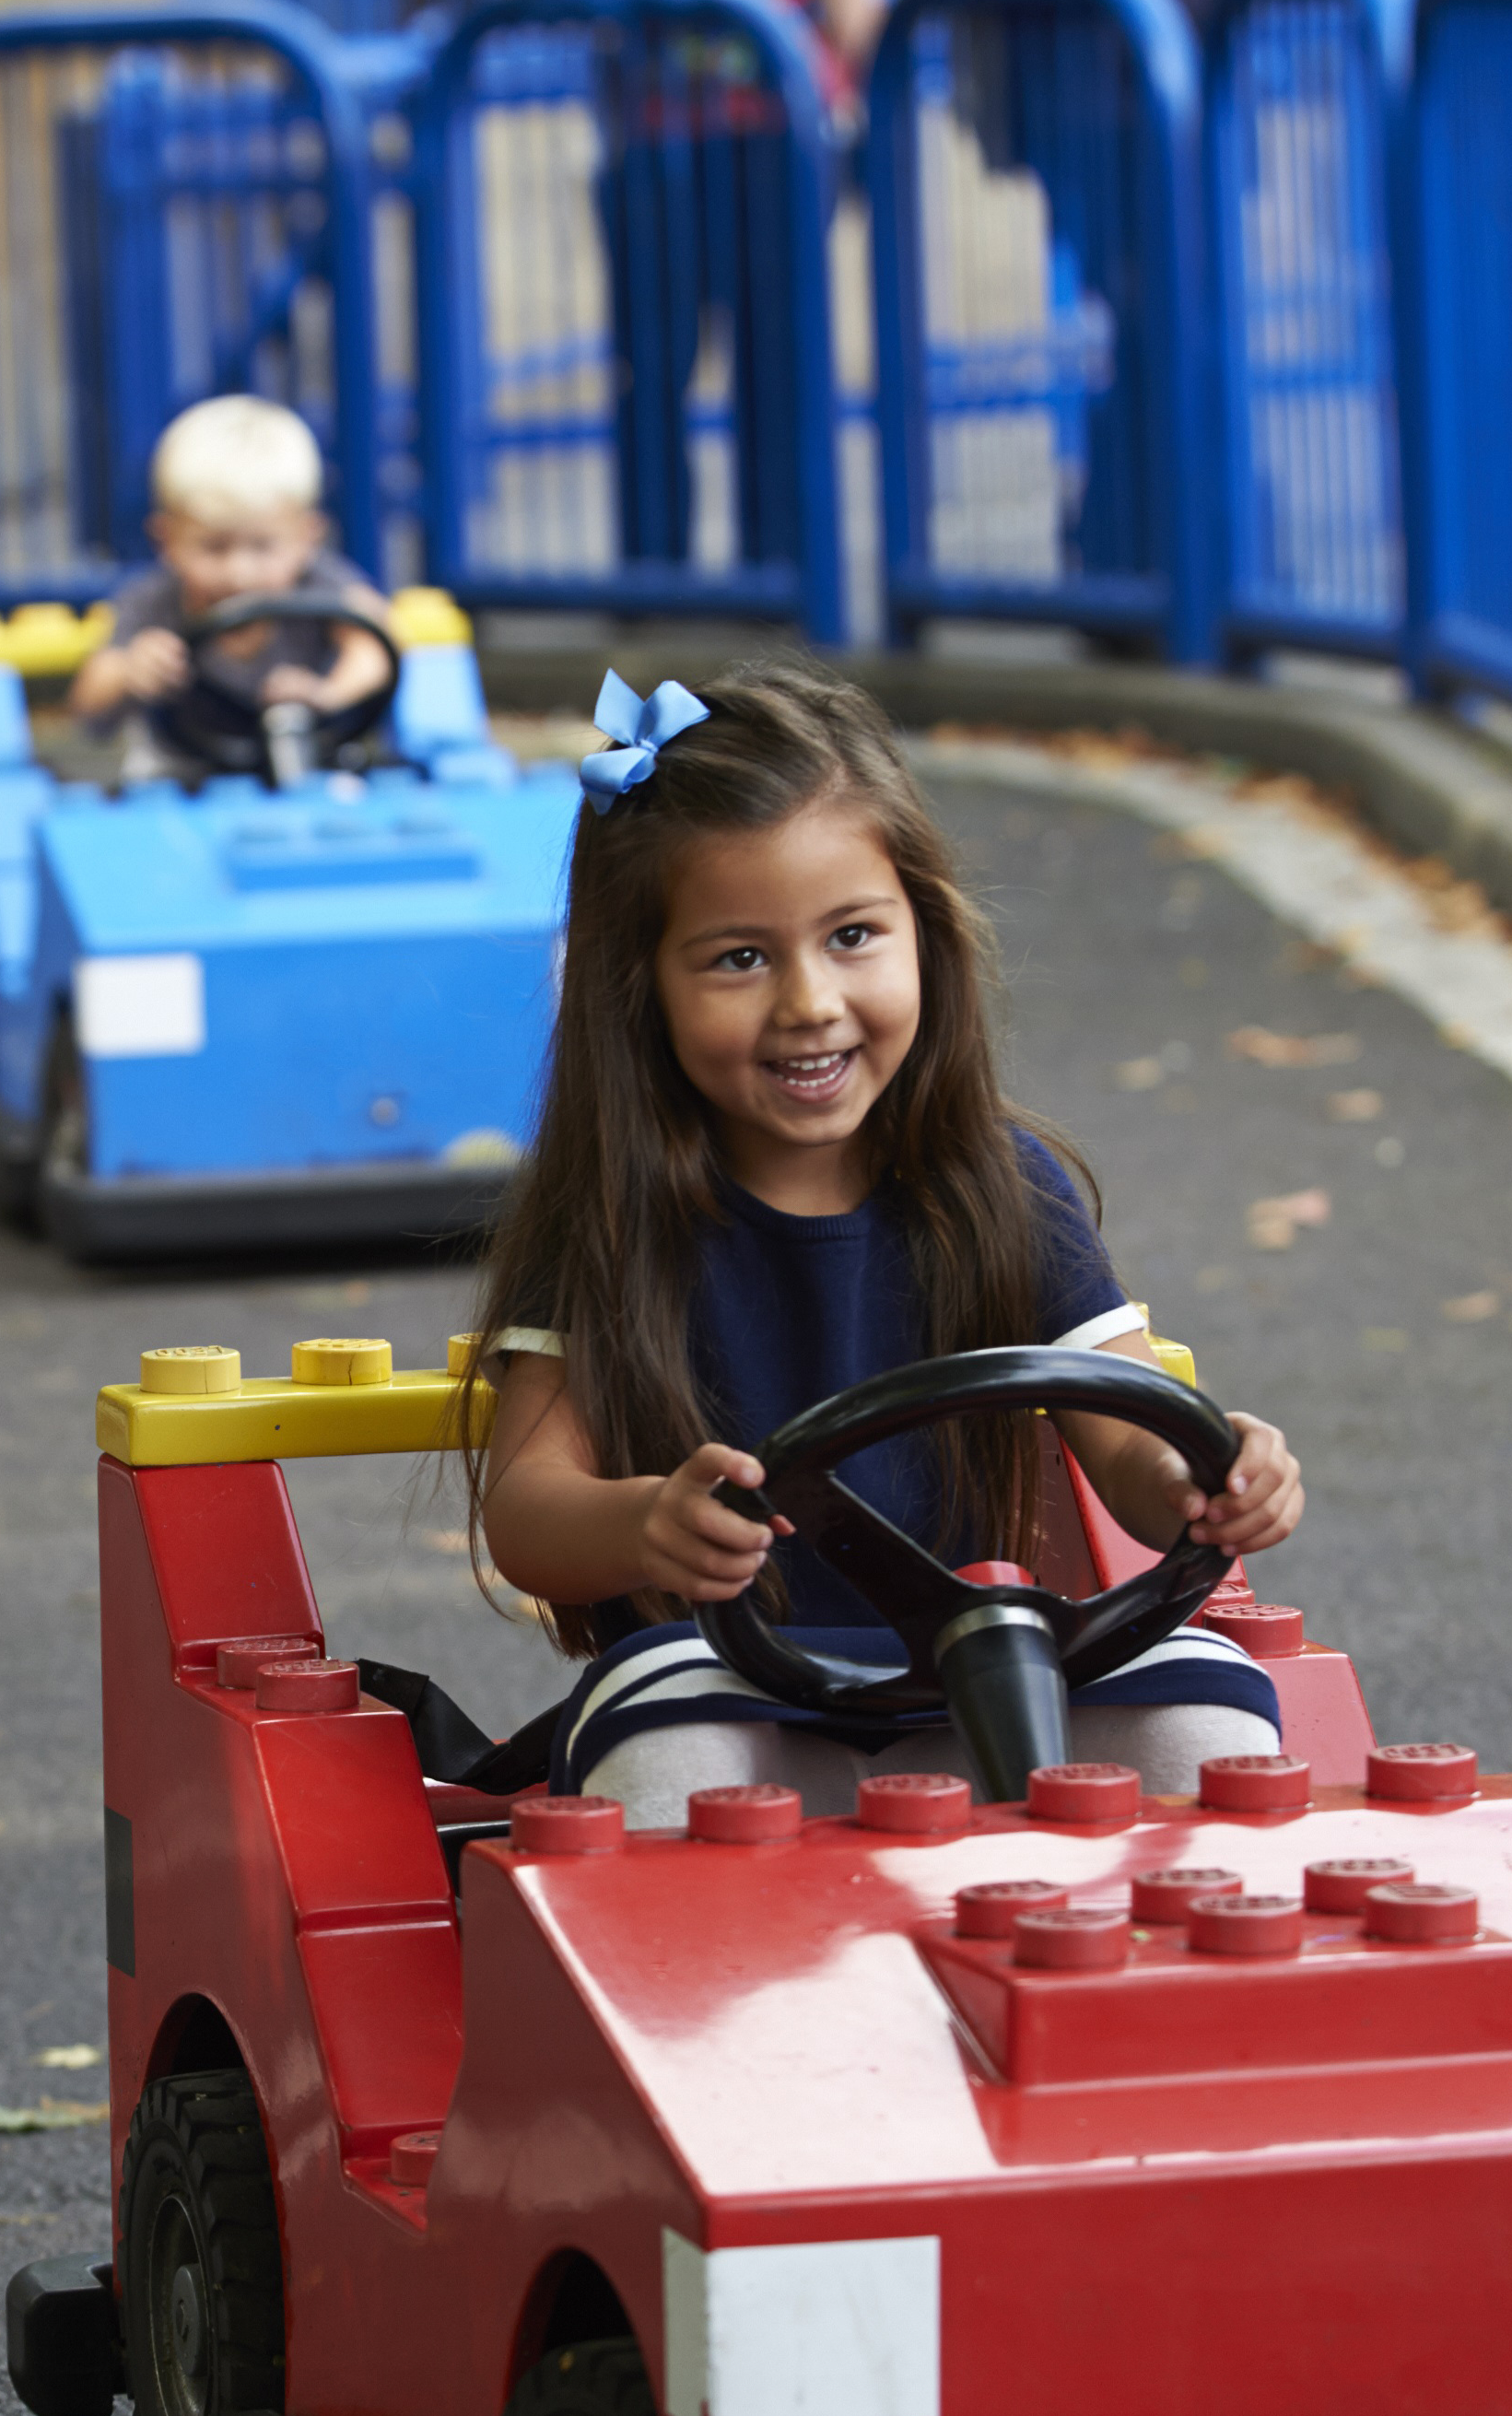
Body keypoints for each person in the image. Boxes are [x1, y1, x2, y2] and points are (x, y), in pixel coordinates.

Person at [464, 657, 1308, 1814]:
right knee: (663, 1750)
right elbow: (525, 1510)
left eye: (852, 935)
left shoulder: (1004, 1188)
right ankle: (703, 1988)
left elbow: (1126, 1440)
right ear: (638, 988)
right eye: (740, 958)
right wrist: (645, 1523)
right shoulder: (609, 1219)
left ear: (924, 932)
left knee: (1208, 1704)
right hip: (734, 1691)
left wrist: (1202, 1479)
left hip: (990, 1665)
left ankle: (1163, 1990)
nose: (809, 1000)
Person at [63, 394, 393, 780]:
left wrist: (325, 693)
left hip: (311, 762)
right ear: (166, 539)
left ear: (308, 537)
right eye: (214, 547)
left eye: (263, 546)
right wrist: (129, 671)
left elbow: (376, 646)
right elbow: (88, 703)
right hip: (180, 774)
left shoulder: (320, 585)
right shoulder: (154, 600)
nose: (239, 573)